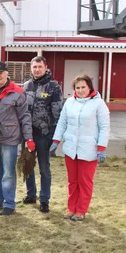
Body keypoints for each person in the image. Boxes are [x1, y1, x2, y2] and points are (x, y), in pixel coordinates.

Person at [50, 75, 110, 221]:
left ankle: (81, 210)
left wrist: (101, 147)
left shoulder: (99, 104)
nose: (81, 90)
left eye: (84, 87)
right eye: (78, 88)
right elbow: (62, 123)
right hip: (71, 149)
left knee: (85, 182)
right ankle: (71, 208)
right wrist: (56, 140)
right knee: (72, 181)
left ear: (89, 87)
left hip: (89, 149)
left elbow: (104, 126)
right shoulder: (69, 102)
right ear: (74, 89)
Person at [0, 61, 34, 216]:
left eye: (1, 73)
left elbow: (25, 117)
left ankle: (9, 203)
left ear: (7, 74)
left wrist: (28, 138)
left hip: (10, 138)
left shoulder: (17, 92)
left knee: (8, 172)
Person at [22, 56, 63, 213]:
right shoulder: (26, 86)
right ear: (31, 68)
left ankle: (44, 199)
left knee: (44, 168)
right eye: (34, 67)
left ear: (45, 67)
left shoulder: (53, 87)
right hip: (28, 134)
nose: (37, 69)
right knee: (28, 165)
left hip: (45, 135)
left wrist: (54, 137)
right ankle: (31, 194)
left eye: (40, 66)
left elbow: (58, 113)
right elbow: (22, 110)